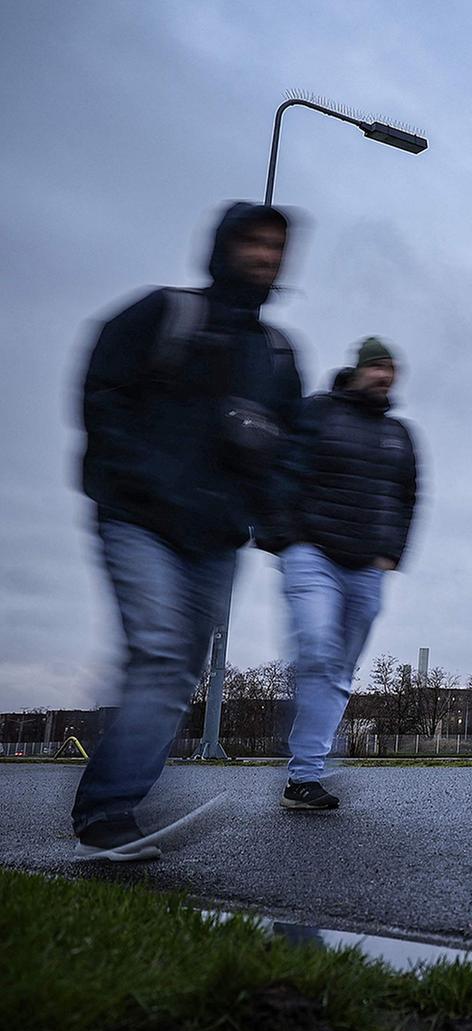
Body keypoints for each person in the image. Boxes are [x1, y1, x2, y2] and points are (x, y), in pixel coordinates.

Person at [71, 202, 303, 859]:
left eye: (276, 247)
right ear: (226, 246)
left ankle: (113, 796)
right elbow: (100, 393)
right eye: (254, 242)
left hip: (212, 539)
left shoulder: (278, 356)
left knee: (177, 674)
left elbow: (289, 454)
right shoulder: (163, 313)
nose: (265, 256)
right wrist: (136, 478)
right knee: (159, 651)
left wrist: (270, 515)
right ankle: (108, 813)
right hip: (137, 519)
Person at [260, 337, 420, 810]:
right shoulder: (318, 412)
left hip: (367, 566)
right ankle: (302, 738)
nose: (386, 376)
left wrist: (392, 553)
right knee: (316, 645)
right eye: (378, 367)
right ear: (359, 370)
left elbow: (410, 496)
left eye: (393, 369)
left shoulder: (400, 435)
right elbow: (280, 469)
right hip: (311, 553)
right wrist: (284, 535)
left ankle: (303, 780)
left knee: (337, 672)